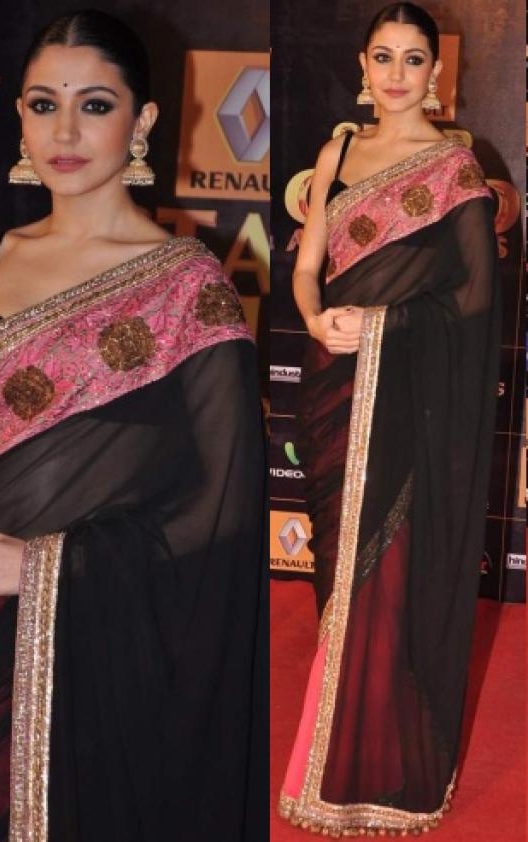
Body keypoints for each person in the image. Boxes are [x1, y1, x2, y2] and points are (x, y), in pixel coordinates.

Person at [0, 10, 266, 841]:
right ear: (19, 117)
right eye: (44, 105)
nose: (65, 132)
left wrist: (47, 568)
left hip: (91, 652)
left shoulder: (188, 287)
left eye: (95, 105)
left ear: (144, 120)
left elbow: (224, 506)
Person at [278, 2, 500, 836]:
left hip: (405, 390)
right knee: (337, 570)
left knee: (390, 571)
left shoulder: (454, 168)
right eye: (383, 56)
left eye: (413, 59)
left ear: (436, 72)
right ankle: (338, 742)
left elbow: (473, 296)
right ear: (362, 66)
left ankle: (385, 766)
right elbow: (309, 264)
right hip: (331, 380)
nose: (397, 74)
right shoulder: (337, 153)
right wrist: (314, 319)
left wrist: (383, 325)